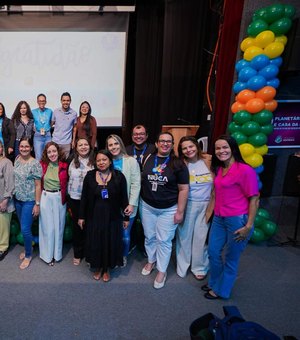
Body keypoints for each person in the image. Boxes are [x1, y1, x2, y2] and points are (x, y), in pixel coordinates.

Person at [202, 135, 259, 300]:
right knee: (213, 252)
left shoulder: (245, 170)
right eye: (218, 148)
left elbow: (254, 199)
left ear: (233, 148)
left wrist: (248, 226)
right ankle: (214, 282)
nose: (221, 151)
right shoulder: (220, 169)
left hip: (237, 220)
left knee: (231, 258)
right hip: (219, 218)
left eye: (225, 147)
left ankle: (222, 290)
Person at [140, 132, 189, 289]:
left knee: (164, 240)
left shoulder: (178, 164)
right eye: (162, 141)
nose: (165, 144)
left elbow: (183, 189)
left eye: (169, 142)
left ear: (172, 144)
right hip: (147, 206)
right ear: (156, 143)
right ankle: (151, 260)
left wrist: (180, 211)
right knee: (149, 236)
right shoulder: (148, 158)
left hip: (168, 209)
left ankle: (162, 271)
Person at [78, 150, 129, 282]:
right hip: (94, 216)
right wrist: (81, 216)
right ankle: (98, 267)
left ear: (110, 161)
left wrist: (126, 217)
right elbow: (84, 198)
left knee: (109, 241)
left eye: (104, 159)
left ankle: (106, 269)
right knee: (96, 241)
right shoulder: (89, 176)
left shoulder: (119, 176)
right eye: (99, 160)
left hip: (113, 217)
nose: (101, 162)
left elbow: (124, 198)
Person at [176, 136, 214, 280]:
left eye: (191, 146)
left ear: (196, 146)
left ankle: (199, 267)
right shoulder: (180, 164)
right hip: (188, 204)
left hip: (206, 205)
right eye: (184, 148)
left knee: (201, 237)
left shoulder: (208, 160)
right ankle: (182, 266)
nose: (188, 150)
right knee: (184, 236)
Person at [106, 134, 141, 267]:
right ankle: (112, 255)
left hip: (127, 206)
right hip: (110, 206)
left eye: (116, 144)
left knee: (125, 235)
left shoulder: (131, 161)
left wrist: (131, 204)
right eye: (110, 145)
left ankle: (123, 255)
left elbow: (136, 184)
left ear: (121, 144)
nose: (113, 147)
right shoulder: (106, 161)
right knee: (112, 233)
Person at [14, 137, 42, 269]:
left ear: (31, 148)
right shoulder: (17, 159)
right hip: (17, 200)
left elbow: (38, 185)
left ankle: (28, 255)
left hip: (29, 201)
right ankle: (27, 247)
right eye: (21, 146)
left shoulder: (35, 163)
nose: (24, 149)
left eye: (26, 146)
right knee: (24, 228)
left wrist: (37, 204)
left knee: (25, 229)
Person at [39, 142, 68, 266]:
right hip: (45, 197)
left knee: (59, 228)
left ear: (58, 151)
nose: (52, 154)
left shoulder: (65, 166)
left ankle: (57, 255)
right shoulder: (42, 165)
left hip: (59, 198)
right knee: (47, 228)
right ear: (46, 154)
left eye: (54, 151)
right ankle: (47, 256)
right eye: (49, 152)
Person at [68, 138, 94, 265]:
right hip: (75, 199)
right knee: (77, 227)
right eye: (80, 145)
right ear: (76, 148)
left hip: (91, 201)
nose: (83, 147)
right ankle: (78, 253)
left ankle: (89, 253)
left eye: (86, 144)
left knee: (90, 227)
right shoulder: (71, 161)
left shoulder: (95, 161)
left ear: (90, 146)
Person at [0, 140, 15, 261]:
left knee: (3, 226)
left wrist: (5, 200)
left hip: (3, 200)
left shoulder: (7, 162)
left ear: (2, 148)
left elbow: (10, 183)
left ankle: (2, 248)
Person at [52, 92, 77, 159]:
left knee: (64, 164)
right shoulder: (56, 111)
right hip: (55, 141)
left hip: (67, 143)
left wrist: (73, 140)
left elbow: (74, 128)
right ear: (61, 101)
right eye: (64, 100)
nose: (66, 102)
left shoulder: (74, 113)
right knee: (54, 162)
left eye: (68, 100)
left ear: (70, 101)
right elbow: (51, 124)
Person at [31, 94, 53, 161]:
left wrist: (48, 128)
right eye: (40, 101)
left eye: (43, 101)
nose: (41, 102)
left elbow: (52, 122)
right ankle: (39, 171)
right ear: (37, 102)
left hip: (48, 136)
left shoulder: (50, 111)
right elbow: (30, 122)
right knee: (38, 157)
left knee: (48, 155)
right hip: (38, 136)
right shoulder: (33, 112)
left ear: (46, 102)